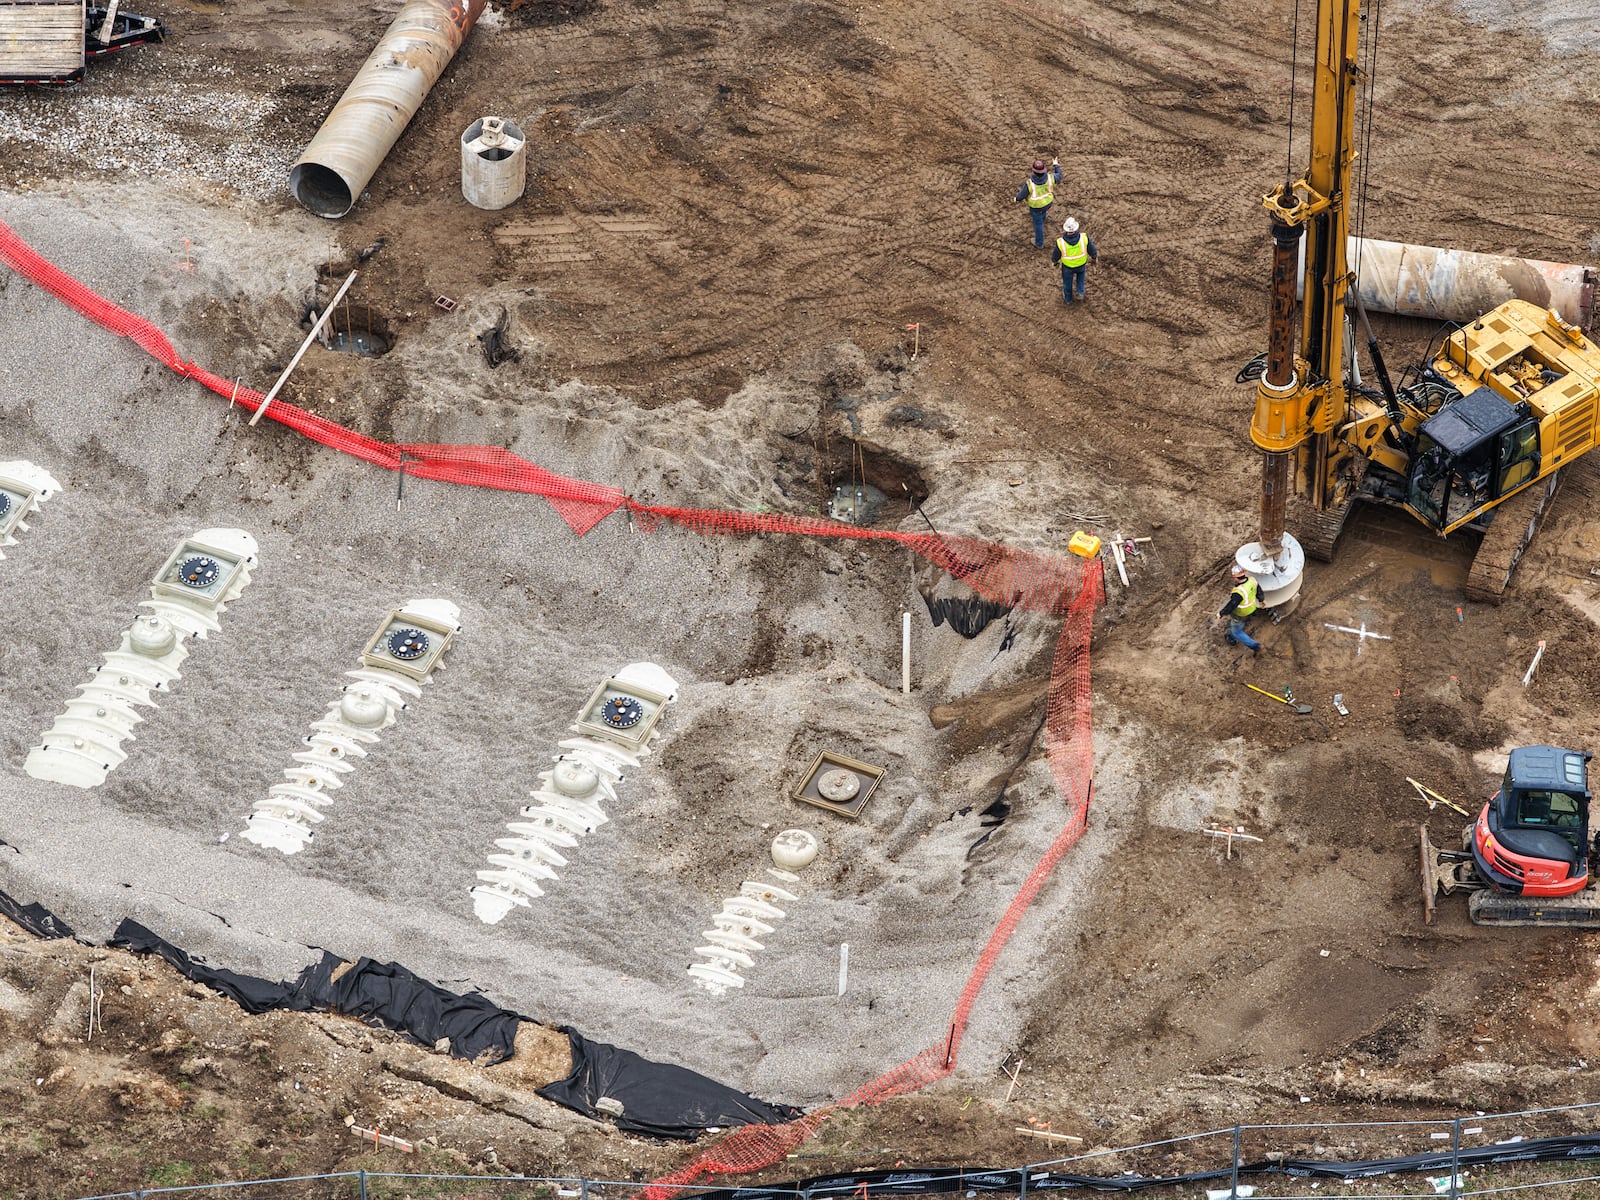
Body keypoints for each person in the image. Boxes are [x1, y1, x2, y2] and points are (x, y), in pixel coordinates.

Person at [1014, 157, 1061, 248]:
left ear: (1033, 171)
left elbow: (1022, 195)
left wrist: (1017, 199)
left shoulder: (1029, 184)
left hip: (1036, 207)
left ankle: (1039, 244)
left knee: (1038, 224)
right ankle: (1043, 218)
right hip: (1048, 203)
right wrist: (1056, 165)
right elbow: (1059, 175)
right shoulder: (1051, 177)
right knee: (1042, 213)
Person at [1214, 566, 1261, 654]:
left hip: (1241, 614)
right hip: (1252, 608)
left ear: (1235, 577)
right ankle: (1232, 635)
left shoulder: (1239, 592)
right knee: (1238, 625)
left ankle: (1254, 645)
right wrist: (1261, 599)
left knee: (1237, 631)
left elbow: (1232, 605)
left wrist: (1221, 613)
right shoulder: (1252, 580)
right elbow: (1259, 591)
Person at [1051, 217, 1098, 304]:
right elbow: (1092, 249)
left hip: (1067, 267)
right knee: (1081, 278)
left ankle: (1068, 299)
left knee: (1067, 283)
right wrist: (1094, 257)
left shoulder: (1060, 242)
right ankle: (1080, 292)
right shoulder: (1084, 237)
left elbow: (1055, 255)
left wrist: (1055, 262)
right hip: (1081, 265)